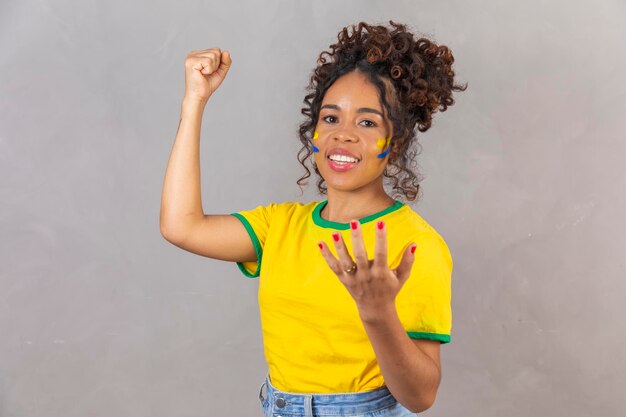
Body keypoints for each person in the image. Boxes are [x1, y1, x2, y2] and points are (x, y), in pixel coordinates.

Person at [160, 20, 466, 417]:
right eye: (331, 118)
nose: (344, 135)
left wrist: (378, 313)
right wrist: (194, 102)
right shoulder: (280, 226)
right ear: (315, 133)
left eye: (368, 122)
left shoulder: (415, 245)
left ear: (396, 141)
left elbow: (420, 396)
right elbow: (180, 225)